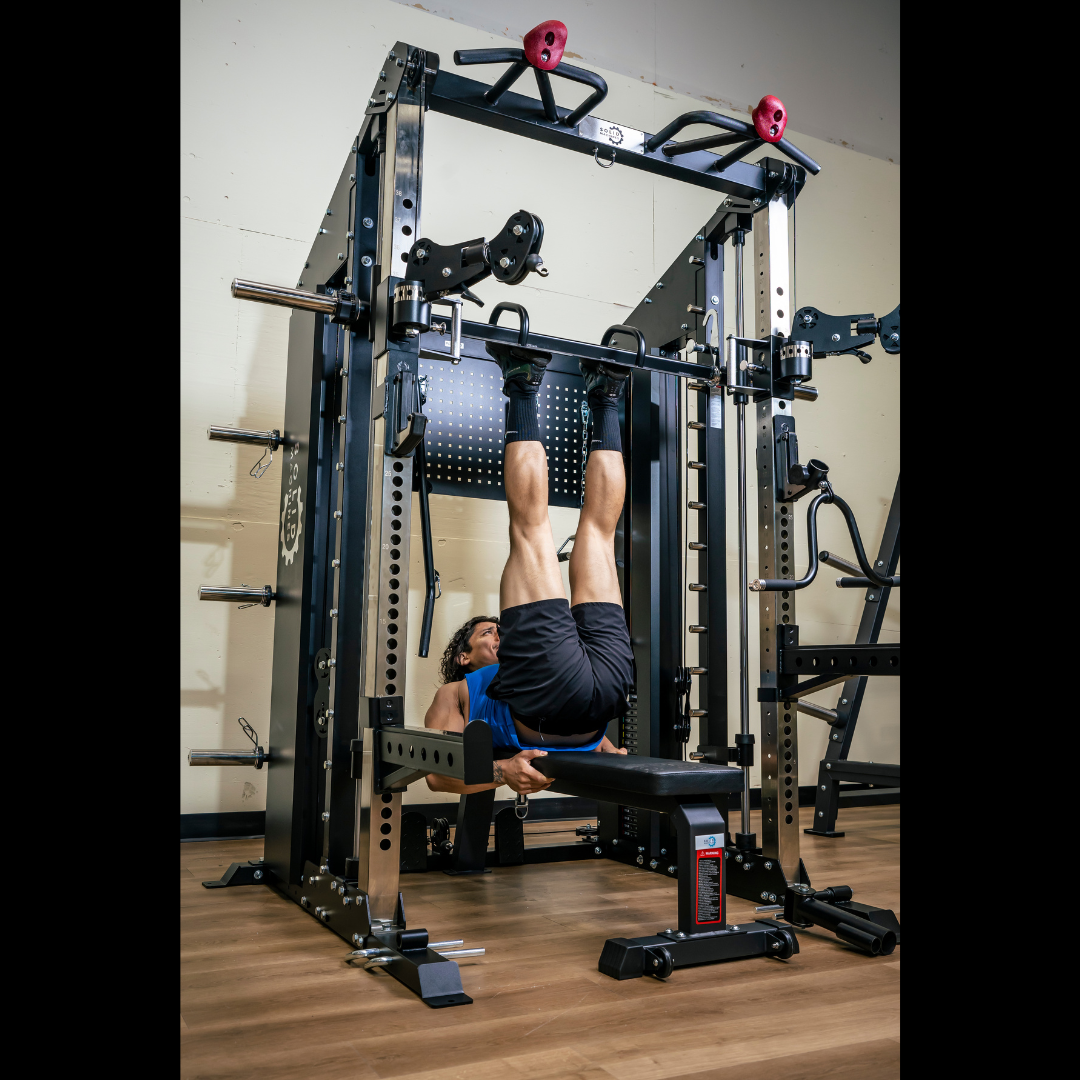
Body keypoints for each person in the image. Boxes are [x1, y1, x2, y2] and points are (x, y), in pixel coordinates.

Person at [424, 340, 635, 796]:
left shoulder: (519, 669)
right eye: (488, 634)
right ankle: (522, 382)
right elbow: (437, 775)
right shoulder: (456, 693)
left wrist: (605, 750)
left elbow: (589, 734)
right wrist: (502, 772)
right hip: (571, 695)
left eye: (500, 630)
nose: (501, 635)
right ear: (463, 659)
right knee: (533, 528)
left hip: (603, 698)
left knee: (598, 534)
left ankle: (606, 396)